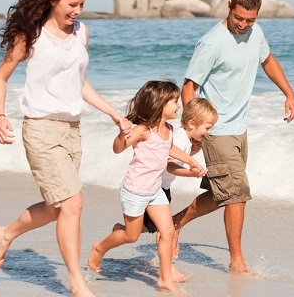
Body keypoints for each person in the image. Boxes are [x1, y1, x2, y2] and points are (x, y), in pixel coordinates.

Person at [0, 0, 130, 296]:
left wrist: (113, 113)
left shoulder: (82, 32)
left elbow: (79, 83)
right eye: (72, 4)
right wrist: (0, 116)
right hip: (40, 129)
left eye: (82, 4)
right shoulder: (30, 34)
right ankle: (76, 283)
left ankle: (7, 233)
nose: (78, 10)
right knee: (73, 204)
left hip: (72, 131)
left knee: (58, 207)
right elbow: (1, 77)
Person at [177, 0, 294, 275]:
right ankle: (237, 262)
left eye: (250, 20)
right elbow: (189, 87)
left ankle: (171, 224)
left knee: (223, 195)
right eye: (239, 18)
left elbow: (267, 60)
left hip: (240, 129)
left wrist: (289, 92)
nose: (243, 25)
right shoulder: (212, 42)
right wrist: (193, 131)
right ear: (229, 7)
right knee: (239, 193)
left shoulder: (255, 34)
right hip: (215, 131)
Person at [87, 80, 205, 296]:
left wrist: (191, 160)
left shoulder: (168, 129)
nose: (178, 105)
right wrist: (122, 134)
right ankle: (99, 248)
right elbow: (117, 148)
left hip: (155, 191)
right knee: (131, 236)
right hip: (135, 191)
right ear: (160, 104)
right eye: (175, 101)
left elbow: (170, 148)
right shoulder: (143, 131)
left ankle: (164, 279)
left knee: (168, 231)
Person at [112, 97, 218, 283]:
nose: (209, 133)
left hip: (161, 188)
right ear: (192, 124)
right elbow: (169, 166)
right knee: (165, 231)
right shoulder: (178, 137)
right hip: (154, 187)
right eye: (207, 128)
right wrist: (191, 172)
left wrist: (192, 153)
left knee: (148, 229)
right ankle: (169, 270)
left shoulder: (184, 138)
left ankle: (121, 230)